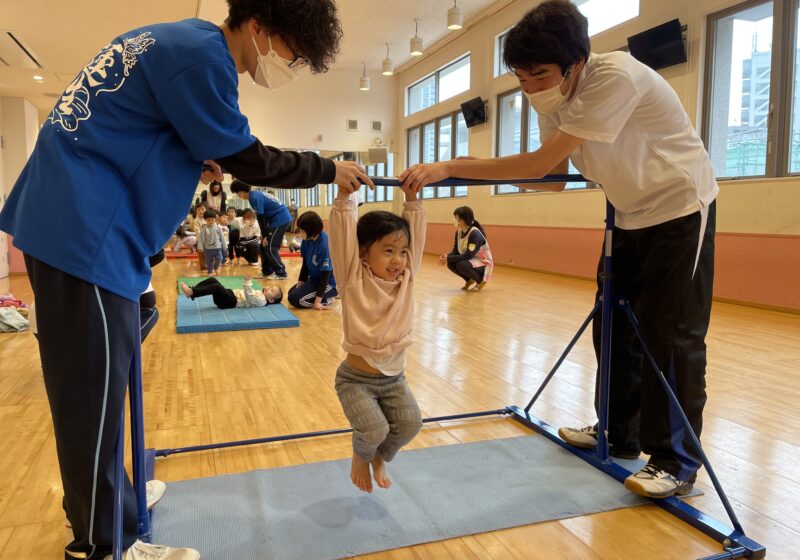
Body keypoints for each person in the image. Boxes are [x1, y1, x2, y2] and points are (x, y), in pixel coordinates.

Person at [0, 0, 374, 556]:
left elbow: (135, 131)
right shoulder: (204, 59)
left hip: (78, 226)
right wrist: (327, 166)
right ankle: (105, 544)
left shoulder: (176, 41)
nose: (290, 67)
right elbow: (250, 158)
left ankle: (114, 505)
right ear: (259, 27)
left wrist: (189, 159)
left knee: (103, 390)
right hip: (85, 236)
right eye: (293, 54)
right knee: (92, 402)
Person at [400, 0, 718, 500]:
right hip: (628, 214)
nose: (529, 86)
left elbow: (544, 159)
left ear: (576, 62)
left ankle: (675, 461)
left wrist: (450, 166)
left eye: (539, 74)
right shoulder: (551, 96)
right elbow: (548, 180)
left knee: (671, 336)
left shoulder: (615, 76)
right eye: (520, 77)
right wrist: (466, 170)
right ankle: (617, 432)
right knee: (612, 325)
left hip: (679, 209)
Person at [328, 182, 425, 494]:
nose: (398, 260)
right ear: (364, 254)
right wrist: (345, 198)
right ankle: (361, 456)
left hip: (395, 379)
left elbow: (416, 239)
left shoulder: (407, 280)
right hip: (356, 379)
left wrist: (412, 198)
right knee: (374, 428)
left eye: (402, 252)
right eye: (387, 251)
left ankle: (380, 457)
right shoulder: (353, 278)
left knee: (411, 425)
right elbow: (343, 238)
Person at [230, 179, 293, 280]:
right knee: (263, 246)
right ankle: (267, 272)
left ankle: (281, 273)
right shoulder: (254, 196)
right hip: (275, 220)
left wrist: (264, 235)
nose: (238, 195)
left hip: (281, 219)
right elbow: (263, 216)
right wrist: (265, 234)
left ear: (240, 191)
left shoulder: (254, 197)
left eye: (237, 193)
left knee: (270, 247)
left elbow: (261, 217)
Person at [287, 211, 337, 310]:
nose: (300, 233)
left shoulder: (324, 244)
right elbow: (305, 266)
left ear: (311, 230)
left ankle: (328, 299)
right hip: (314, 280)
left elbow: (326, 274)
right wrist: (300, 285)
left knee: (296, 299)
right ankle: (321, 297)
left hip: (328, 283)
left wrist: (317, 302)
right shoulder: (306, 241)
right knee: (291, 293)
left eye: (302, 231)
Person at [440, 206, 493, 292]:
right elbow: (456, 250)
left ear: (465, 220)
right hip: (472, 260)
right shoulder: (459, 232)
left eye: (457, 219)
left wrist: (449, 258)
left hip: (483, 263)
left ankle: (480, 280)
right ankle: (469, 280)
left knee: (461, 264)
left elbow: (468, 255)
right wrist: (447, 257)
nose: (455, 221)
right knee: (451, 263)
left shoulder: (474, 234)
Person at [179, 275, 282, 308]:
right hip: (229, 295)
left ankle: (192, 293)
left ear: (271, 300)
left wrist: (247, 282)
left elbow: (250, 296)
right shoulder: (261, 294)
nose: (268, 288)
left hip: (230, 302)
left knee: (216, 287)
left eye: (271, 290)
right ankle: (192, 291)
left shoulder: (262, 301)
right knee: (212, 280)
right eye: (270, 286)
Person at [198, 210, 226, 275]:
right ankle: (210, 272)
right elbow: (201, 238)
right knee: (209, 261)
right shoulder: (204, 229)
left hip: (217, 248)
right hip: (208, 249)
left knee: (219, 259)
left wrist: (224, 246)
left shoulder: (218, 227)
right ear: (205, 220)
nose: (210, 221)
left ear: (215, 219)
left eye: (212, 220)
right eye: (208, 220)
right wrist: (200, 247)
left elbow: (222, 237)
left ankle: (216, 268)